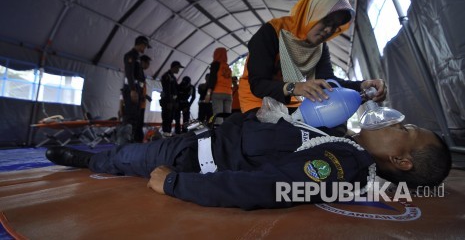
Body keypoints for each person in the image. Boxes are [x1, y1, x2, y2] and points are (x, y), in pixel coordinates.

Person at [46, 112, 451, 210]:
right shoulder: (342, 139)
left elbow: (270, 186)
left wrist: (173, 184)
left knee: (123, 158)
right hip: (204, 138)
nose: (396, 121)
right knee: (125, 155)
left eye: (407, 130)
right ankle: (87, 157)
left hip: (190, 159)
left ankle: (79, 158)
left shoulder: (343, 161)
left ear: (400, 161)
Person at [238, 0, 387, 115]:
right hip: (257, 102)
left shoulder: (320, 47)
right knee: (280, 138)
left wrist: (361, 85)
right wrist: (295, 87)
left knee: (326, 131)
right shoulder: (273, 32)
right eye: (327, 20)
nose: (329, 30)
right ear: (313, 12)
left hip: (290, 102)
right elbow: (258, 85)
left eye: (335, 26)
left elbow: (329, 82)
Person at [122, 35, 152, 142]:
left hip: (137, 90)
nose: (145, 49)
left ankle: (132, 141)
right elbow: (129, 74)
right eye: (144, 46)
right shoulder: (130, 56)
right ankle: (125, 143)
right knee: (130, 117)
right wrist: (133, 90)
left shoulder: (137, 57)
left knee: (136, 118)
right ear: (140, 44)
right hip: (132, 90)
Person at [204, 47, 232, 124]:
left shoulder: (215, 64)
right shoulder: (227, 66)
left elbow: (212, 79)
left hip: (218, 93)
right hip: (228, 94)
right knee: (227, 117)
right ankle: (228, 134)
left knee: (218, 116)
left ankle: (219, 135)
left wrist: (208, 94)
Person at [160, 61, 184, 137]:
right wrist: (169, 102)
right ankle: (165, 135)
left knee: (170, 119)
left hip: (172, 101)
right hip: (167, 102)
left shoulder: (173, 77)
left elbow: (175, 91)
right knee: (166, 119)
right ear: (174, 67)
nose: (178, 70)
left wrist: (175, 102)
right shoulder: (166, 76)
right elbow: (167, 90)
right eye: (178, 68)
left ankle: (168, 134)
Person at [136, 55, 152, 142]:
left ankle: (139, 139)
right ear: (143, 62)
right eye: (147, 63)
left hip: (142, 104)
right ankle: (137, 140)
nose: (148, 65)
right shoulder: (138, 71)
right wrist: (144, 96)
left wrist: (145, 96)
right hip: (138, 103)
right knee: (138, 123)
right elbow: (137, 87)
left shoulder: (141, 72)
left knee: (140, 123)